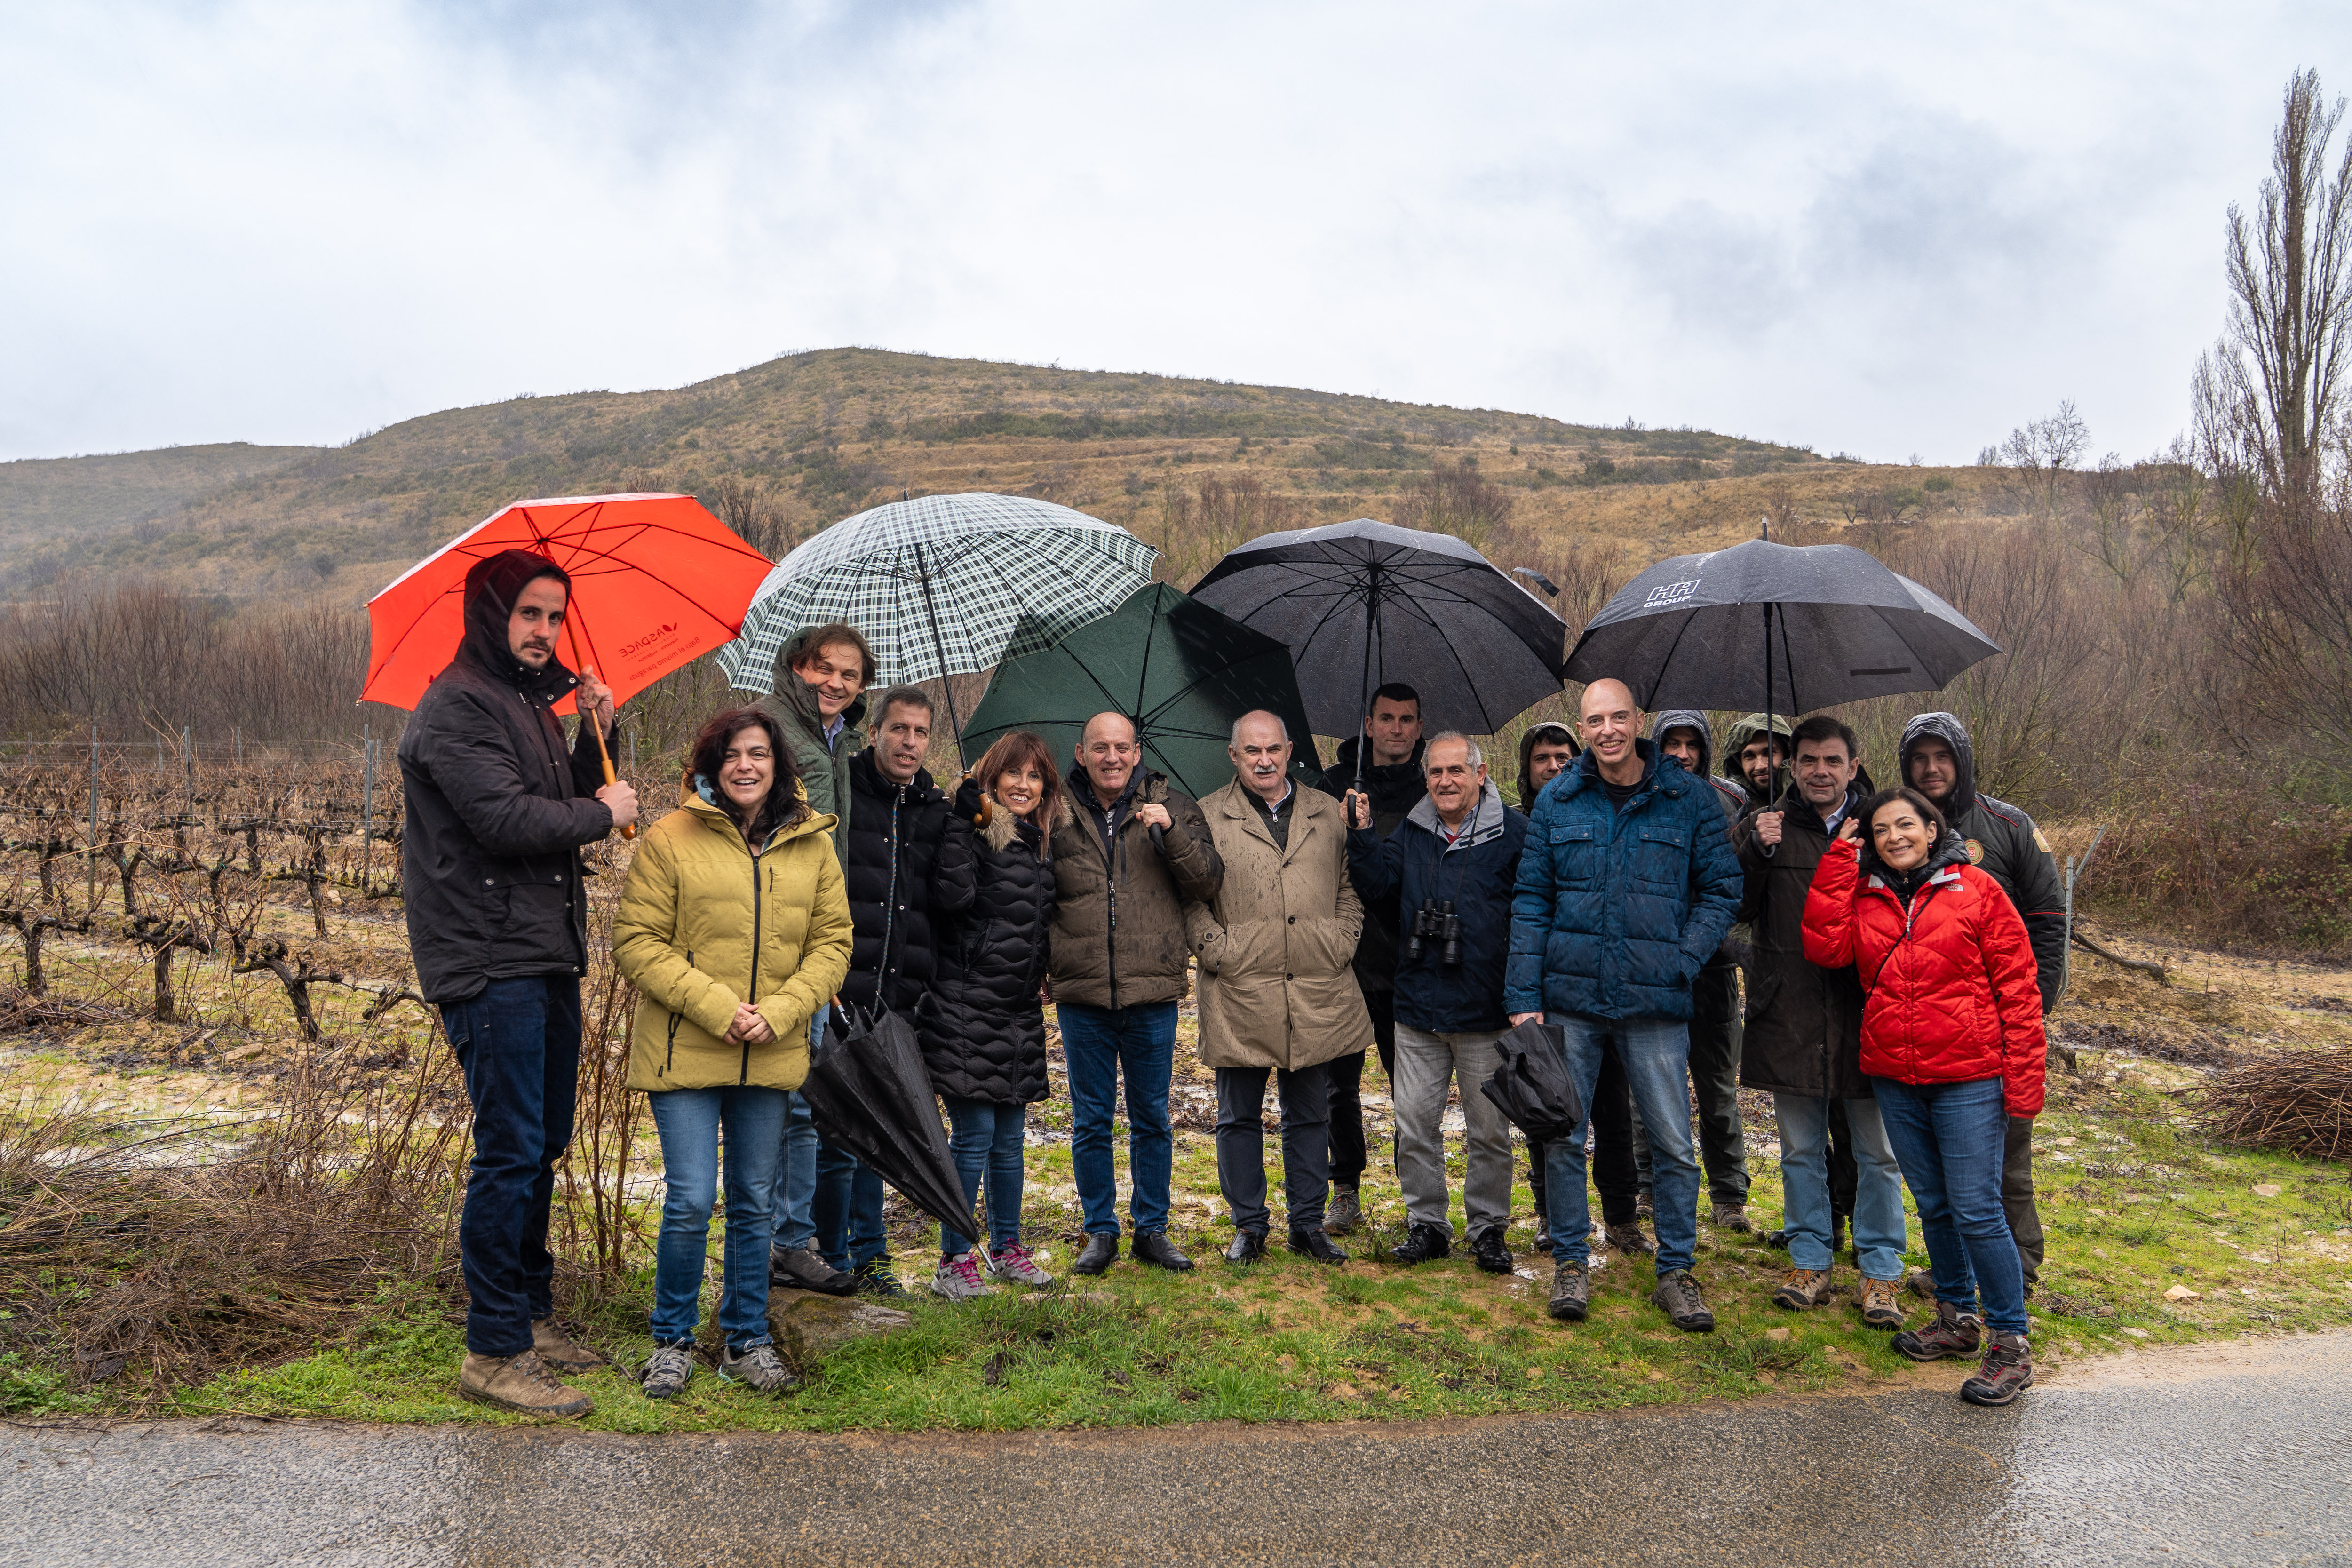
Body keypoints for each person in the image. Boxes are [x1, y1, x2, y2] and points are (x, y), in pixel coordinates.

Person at [397, 548, 636, 1417]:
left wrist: (598, 730)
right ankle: (494, 1350)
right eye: (530, 613)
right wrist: (603, 814)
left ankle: (531, 1318)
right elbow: (503, 819)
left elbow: (565, 792)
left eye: (555, 616)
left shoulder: (529, 702)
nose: (544, 631)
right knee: (510, 1147)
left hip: (539, 948)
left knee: (543, 1139)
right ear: (491, 613)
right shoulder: (457, 705)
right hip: (487, 953)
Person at [613, 707, 852, 1399]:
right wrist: (719, 1008)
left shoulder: (813, 843)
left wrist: (782, 1010)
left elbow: (833, 943)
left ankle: (747, 1341)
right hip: (686, 1048)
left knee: (753, 1202)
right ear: (711, 766)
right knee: (692, 1199)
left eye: (758, 753)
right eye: (731, 755)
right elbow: (637, 941)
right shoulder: (670, 837)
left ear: (779, 764)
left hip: (771, 1052)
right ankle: (671, 1342)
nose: (745, 766)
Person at [1507, 678, 1740, 1333]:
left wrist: (1681, 958)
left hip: (1655, 1004)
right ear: (1582, 727)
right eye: (1594, 720)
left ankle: (1677, 1270)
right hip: (1571, 1000)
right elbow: (1532, 901)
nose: (1607, 730)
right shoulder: (1558, 800)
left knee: (1671, 1142)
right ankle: (1571, 1263)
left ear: (1638, 721)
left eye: (1617, 717)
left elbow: (1722, 890)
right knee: (1562, 1137)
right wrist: (1523, 998)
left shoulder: (1687, 798)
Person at [1804, 787, 2047, 1406]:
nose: (1894, 837)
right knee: (1935, 1205)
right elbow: (1824, 946)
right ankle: (1956, 1318)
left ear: (1932, 830)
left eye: (1905, 825)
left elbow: (2019, 987)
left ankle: (2011, 1342)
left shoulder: (1978, 890)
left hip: (1969, 1076)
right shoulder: (1865, 895)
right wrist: (1838, 860)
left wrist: (2024, 1079)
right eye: (1881, 829)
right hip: (1896, 1074)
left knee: (1976, 1209)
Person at [1732, 715, 1907, 1329]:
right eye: (1808, 760)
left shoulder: (1882, 827)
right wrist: (1755, 850)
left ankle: (1881, 1268)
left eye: (1832, 760)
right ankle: (1809, 1259)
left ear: (1853, 766)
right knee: (1800, 1149)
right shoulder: (1766, 825)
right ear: (1792, 764)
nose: (1820, 772)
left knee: (1878, 1153)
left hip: (1867, 1012)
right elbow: (1733, 904)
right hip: (1789, 1010)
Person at [1189, 711, 1371, 1265]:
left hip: (1316, 984)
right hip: (1239, 986)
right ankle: (1249, 1226)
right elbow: (1189, 897)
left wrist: (1340, 941)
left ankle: (1307, 1224)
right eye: (1252, 751)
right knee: (1237, 1116)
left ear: (1289, 750)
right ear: (1234, 756)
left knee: (1310, 1113)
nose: (1264, 760)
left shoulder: (1328, 811)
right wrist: (1217, 950)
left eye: (1273, 749)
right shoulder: (1205, 816)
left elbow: (1349, 887)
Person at [1346, 732, 1528, 1272]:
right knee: (1413, 1125)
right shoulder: (1414, 828)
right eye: (1435, 772)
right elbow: (1377, 886)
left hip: (1485, 1008)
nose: (1445, 781)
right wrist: (1362, 834)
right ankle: (1426, 1224)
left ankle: (1488, 1228)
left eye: (1455, 771)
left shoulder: (1514, 833)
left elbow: (1533, 914)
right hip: (1417, 1007)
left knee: (1489, 1131)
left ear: (1480, 773)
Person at [1049, 712, 1223, 1276]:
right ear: (1081, 754)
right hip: (1081, 990)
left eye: (1122, 748)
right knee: (1090, 1119)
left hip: (1151, 987)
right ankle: (1099, 1231)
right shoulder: (1055, 810)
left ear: (1136, 753)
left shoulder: (1174, 806)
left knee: (1151, 1117)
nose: (1112, 758)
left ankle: (1151, 1230)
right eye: (1100, 748)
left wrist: (1171, 833)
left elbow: (1208, 880)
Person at [1899, 712, 2066, 1295]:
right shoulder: (1899, 828)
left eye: (1941, 757)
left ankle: (2018, 1271)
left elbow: (2048, 919)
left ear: (1962, 760)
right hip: (1932, 1032)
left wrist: (2033, 1008)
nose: (1930, 768)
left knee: (2005, 1161)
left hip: (2000, 1024)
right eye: (1919, 759)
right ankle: (1956, 1272)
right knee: (1946, 1169)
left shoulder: (2008, 826)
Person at [817, 685, 958, 1298]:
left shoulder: (935, 807)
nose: (909, 742)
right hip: (839, 988)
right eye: (898, 729)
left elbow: (948, 898)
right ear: (873, 733)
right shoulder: (843, 792)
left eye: (920, 733)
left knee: (882, 1130)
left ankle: (872, 1256)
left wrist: (970, 819)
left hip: (900, 999)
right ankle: (827, 1254)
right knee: (835, 1133)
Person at [757, 622, 876, 1299]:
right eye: (823, 668)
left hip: (818, 939)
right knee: (774, 1101)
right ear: (797, 666)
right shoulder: (770, 728)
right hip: (773, 937)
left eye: (849, 674)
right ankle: (764, 1243)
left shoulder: (839, 740)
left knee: (802, 1103)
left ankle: (791, 1242)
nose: (835, 682)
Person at [917, 732, 1058, 1298]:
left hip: (1016, 1010)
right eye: (1012, 774)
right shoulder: (972, 831)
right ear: (991, 778)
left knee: (1008, 1139)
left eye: (1034, 776)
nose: (1023, 785)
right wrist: (961, 822)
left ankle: (1007, 1249)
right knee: (973, 1134)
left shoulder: (1038, 843)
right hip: (963, 1004)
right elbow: (951, 899)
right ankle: (953, 1260)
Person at [1312, 682, 1427, 1234]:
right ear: (1368, 723)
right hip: (1343, 959)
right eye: (1386, 718)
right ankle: (1345, 1189)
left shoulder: (1432, 786)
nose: (1395, 729)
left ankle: (1417, 1195)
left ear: (1419, 727)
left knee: (1411, 1086)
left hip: (1408, 958)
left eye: (1406, 719)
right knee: (1339, 1086)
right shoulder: (1333, 784)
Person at [1646, 711, 1754, 1232]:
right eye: (1673, 743)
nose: (1682, 754)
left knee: (1716, 1088)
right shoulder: (1639, 795)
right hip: (1651, 966)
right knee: (1645, 1085)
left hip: (1714, 967)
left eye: (1692, 744)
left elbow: (1745, 884)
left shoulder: (1732, 801)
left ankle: (1729, 1194)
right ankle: (1645, 1187)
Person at [1723, 713, 1794, 811]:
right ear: (1739, 764)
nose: (1760, 766)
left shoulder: (1809, 799)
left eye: (1768, 753)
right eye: (1749, 756)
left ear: (1786, 755)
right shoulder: (1733, 809)